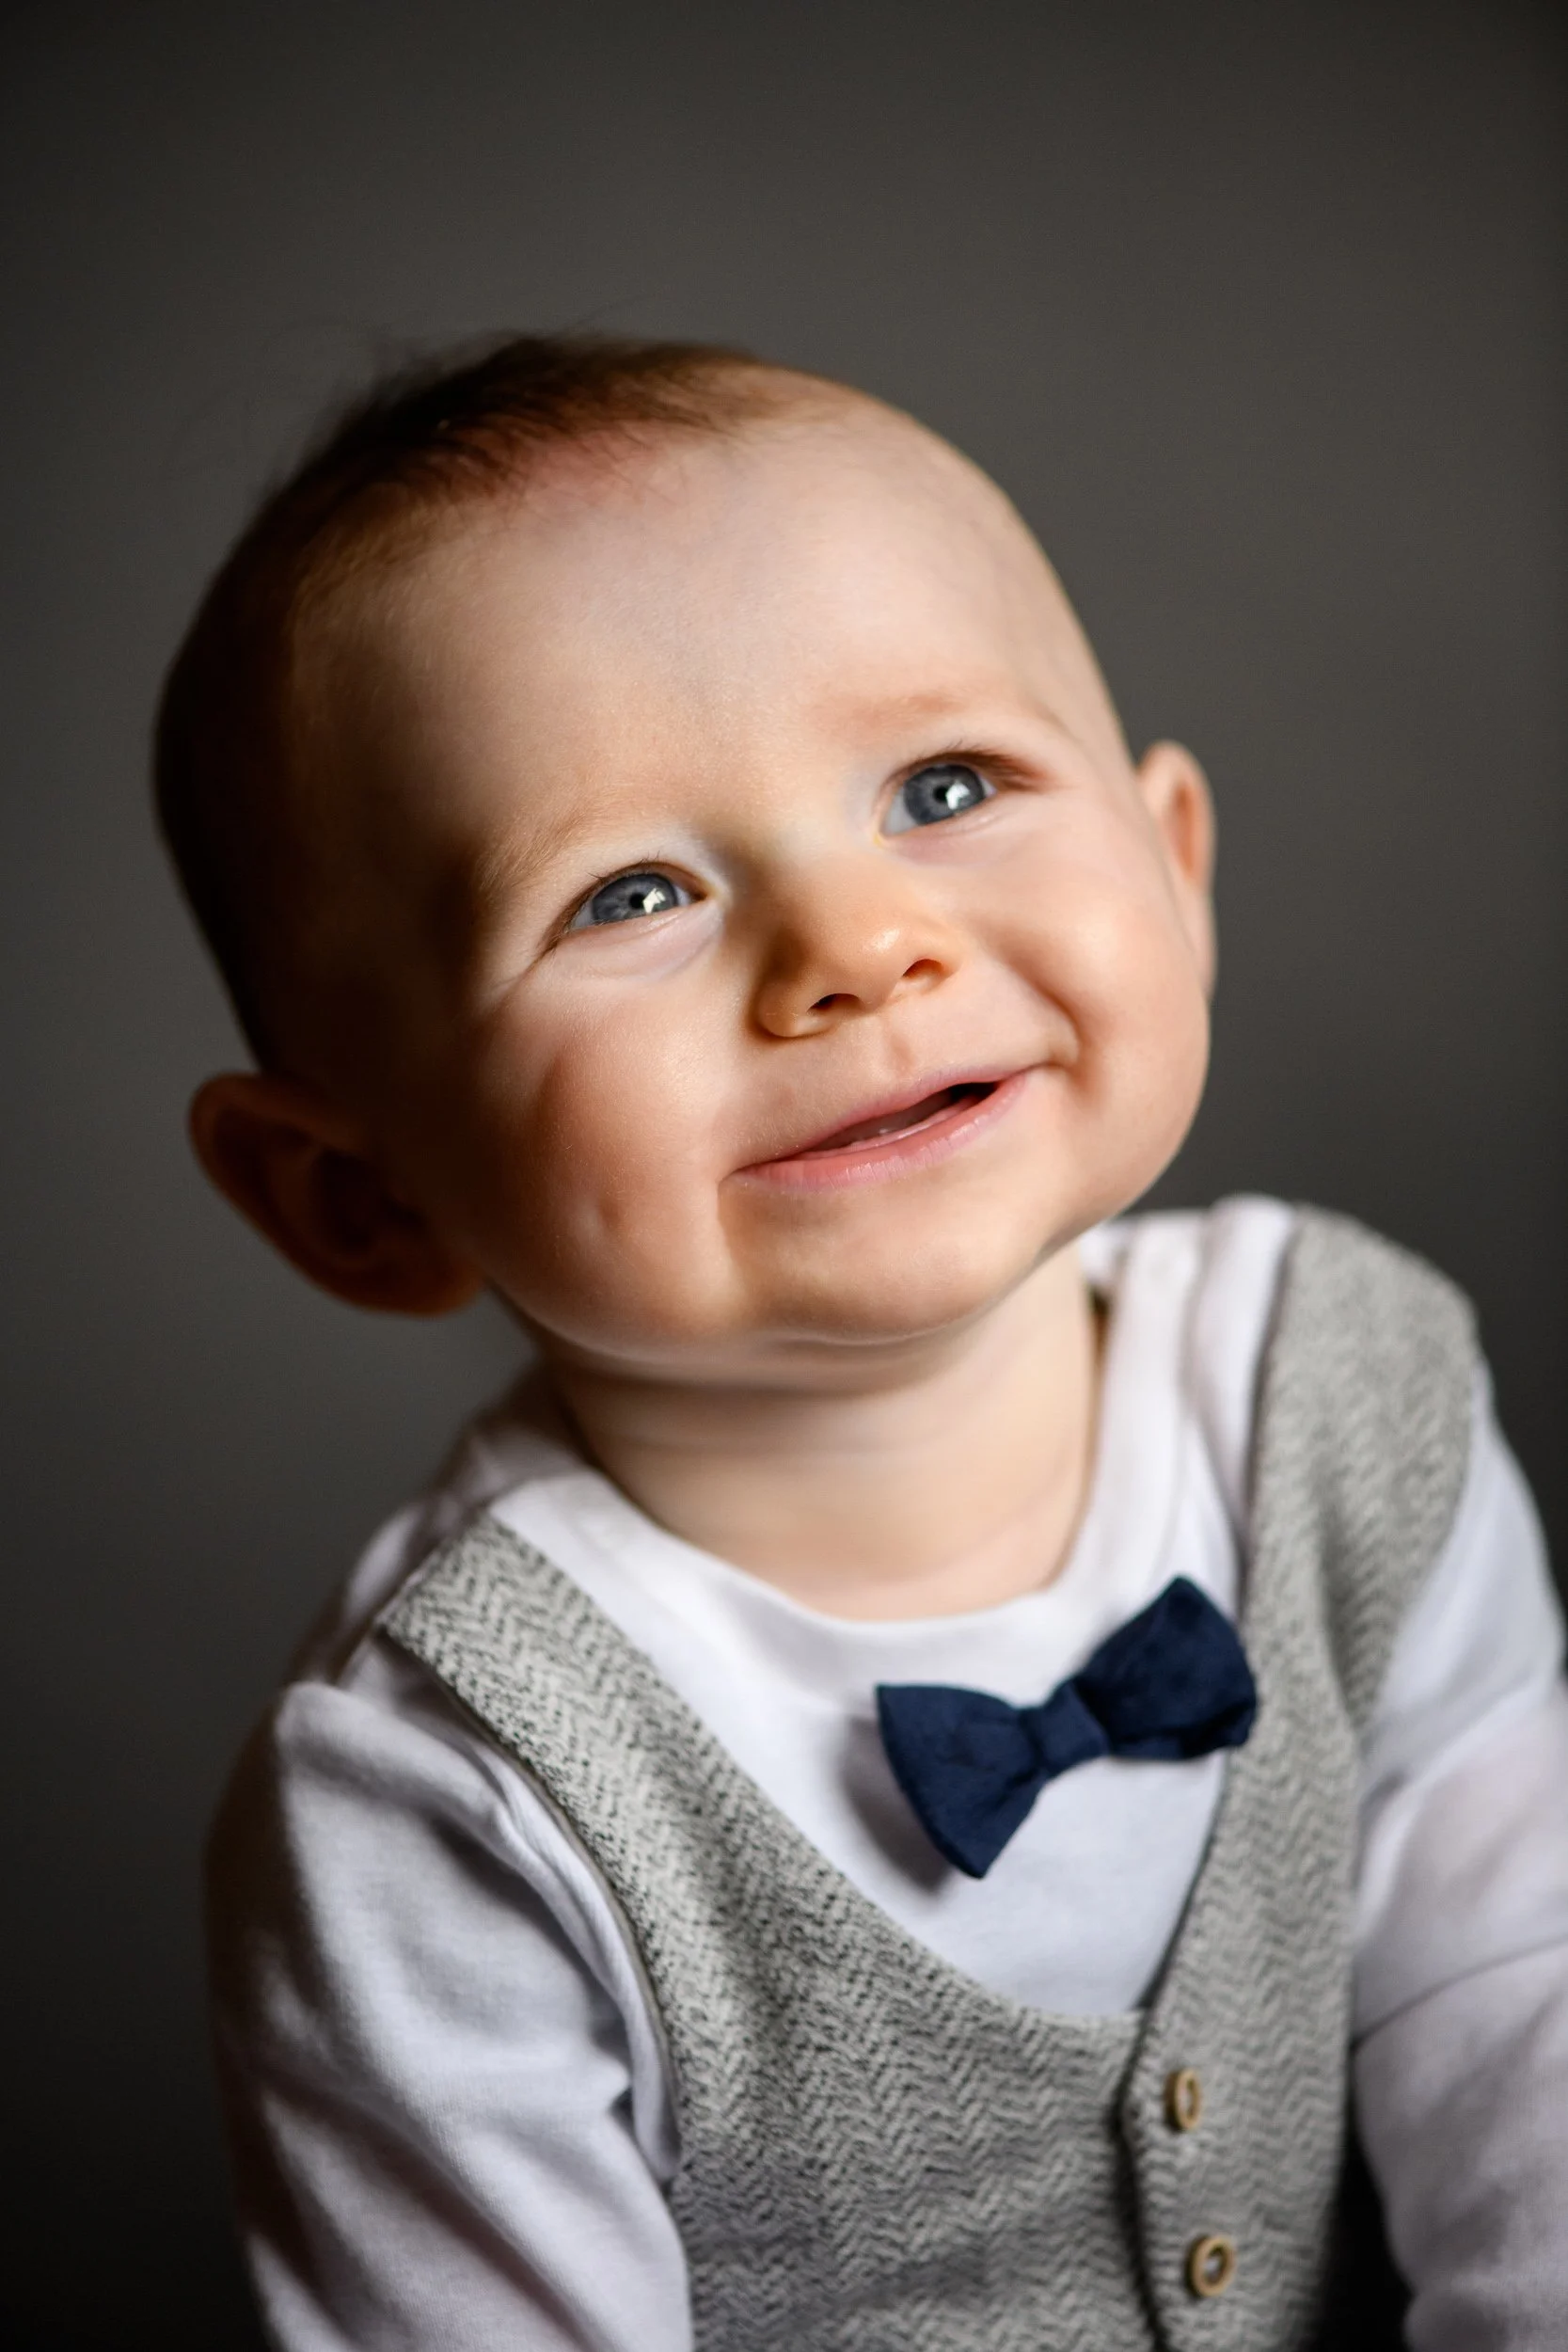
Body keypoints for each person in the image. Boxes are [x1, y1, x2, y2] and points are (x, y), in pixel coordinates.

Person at [160, 336, 1568, 2350]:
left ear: (1172, 871)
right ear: (355, 1195)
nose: (853, 944)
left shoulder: (1346, 1393)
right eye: (627, 890)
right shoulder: (438, 1788)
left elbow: (1517, 2010)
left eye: (942, 786)